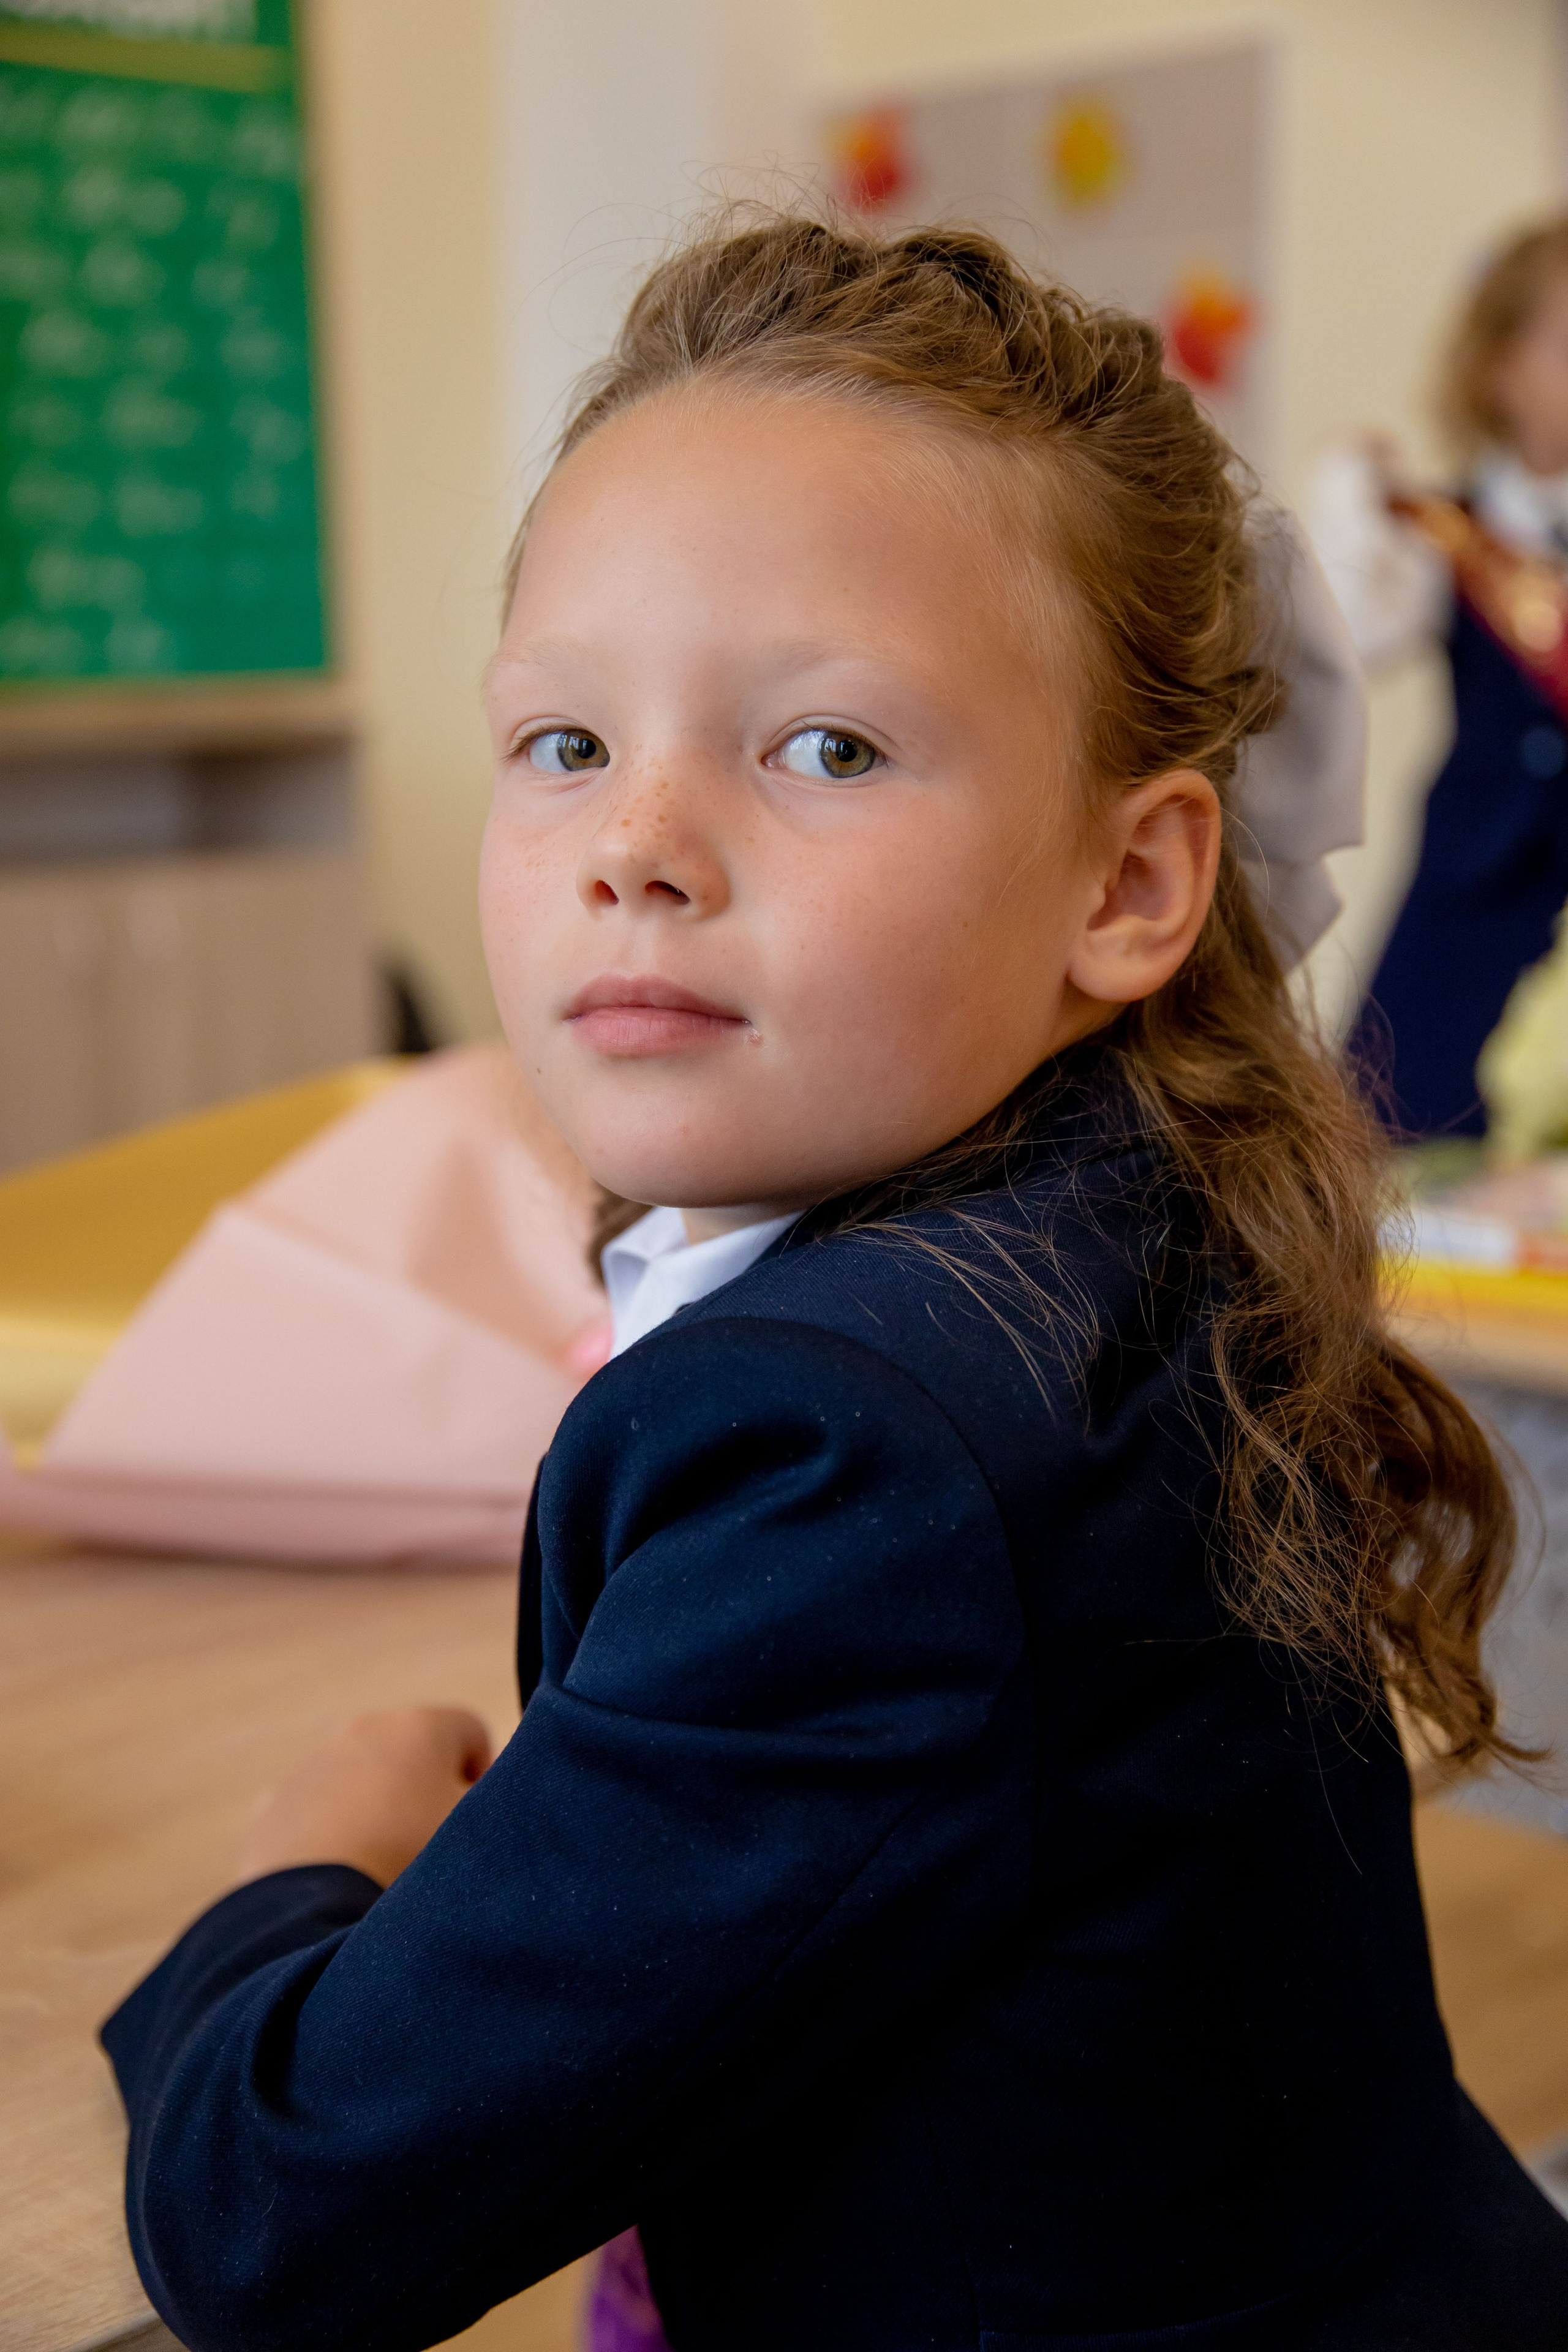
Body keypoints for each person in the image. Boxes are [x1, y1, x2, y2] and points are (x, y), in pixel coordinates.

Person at [101, 217, 1568, 2351]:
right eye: (565, 743)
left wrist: (294, 1874)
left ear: (1131, 880)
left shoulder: (849, 1443)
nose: (641, 844)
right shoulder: (1137, 1207)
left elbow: (271, 2224)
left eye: (826, 750)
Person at [1314, 214, 1568, 1138]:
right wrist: (1349, 509)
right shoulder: (1442, 530)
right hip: (1473, 902)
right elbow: (1345, 641)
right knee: (1413, 1141)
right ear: (1501, 370)